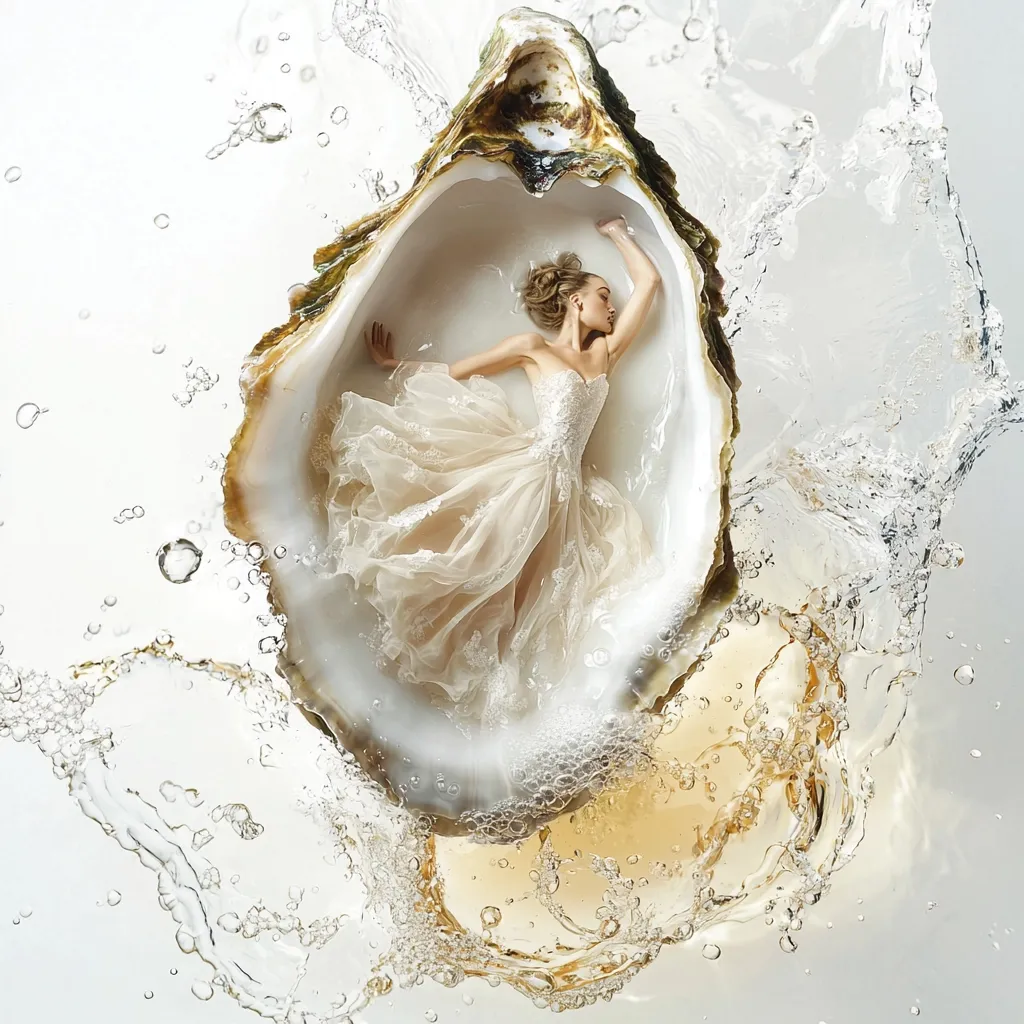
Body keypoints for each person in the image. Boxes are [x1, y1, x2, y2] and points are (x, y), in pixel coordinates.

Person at [322, 216, 662, 725]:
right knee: (476, 563)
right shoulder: (532, 348)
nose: (611, 306)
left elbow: (651, 283)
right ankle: (411, 658)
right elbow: (461, 371)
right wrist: (397, 367)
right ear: (575, 301)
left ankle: (501, 695)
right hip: (528, 475)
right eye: (602, 295)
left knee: (534, 598)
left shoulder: (603, 355)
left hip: (570, 492)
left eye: (612, 299)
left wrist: (619, 232)